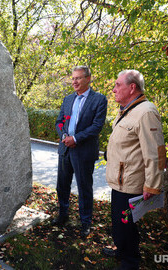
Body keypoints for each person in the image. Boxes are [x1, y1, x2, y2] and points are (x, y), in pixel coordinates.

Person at [103, 70, 165, 269]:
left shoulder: (146, 112)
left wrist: (152, 185)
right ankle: (121, 251)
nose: (113, 89)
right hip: (120, 182)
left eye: (117, 85)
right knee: (119, 224)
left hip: (131, 185)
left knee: (126, 228)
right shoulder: (128, 109)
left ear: (132, 87)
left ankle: (130, 262)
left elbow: (155, 153)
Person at [53, 66, 107, 237]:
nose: (74, 82)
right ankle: (63, 215)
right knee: (62, 186)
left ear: (88, 78)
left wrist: (75, 139)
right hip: (65, 150)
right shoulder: (68, 99)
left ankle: (85, 222)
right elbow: (59, 121)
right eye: (73, 78)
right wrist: (64, 136)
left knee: (84, 188)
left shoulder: (99, 100)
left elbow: (96, 127)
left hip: (83, 152)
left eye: (78, 78)